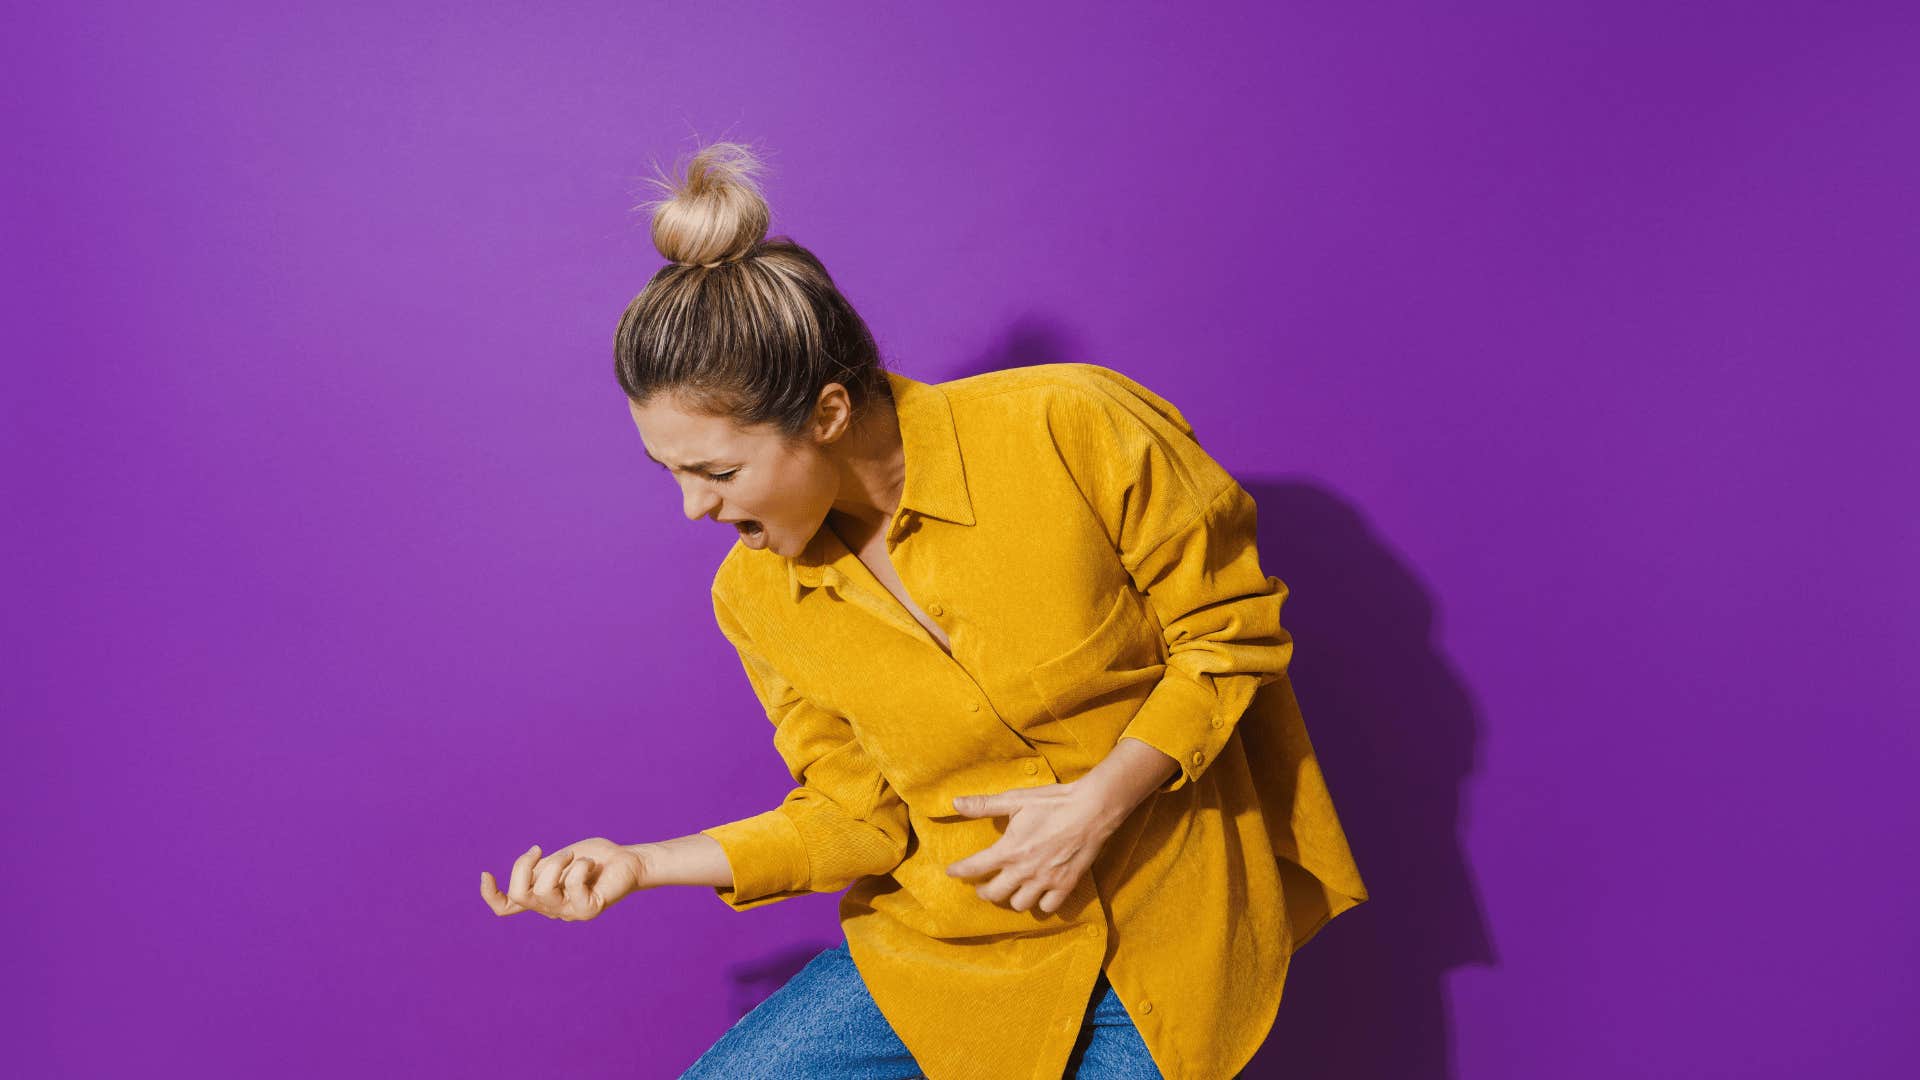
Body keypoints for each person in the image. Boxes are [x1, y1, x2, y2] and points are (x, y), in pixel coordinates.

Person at [480, 141, 1370, 1080]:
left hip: (1164, 930)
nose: (694, 508)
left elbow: (1228, 635)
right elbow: (855, 816)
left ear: (825, 414)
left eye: (718, 471)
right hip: (951, 948)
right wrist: (644, 863)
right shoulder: (754, 595)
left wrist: (1098, 804)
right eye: (671, 473)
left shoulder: (1072, 426)